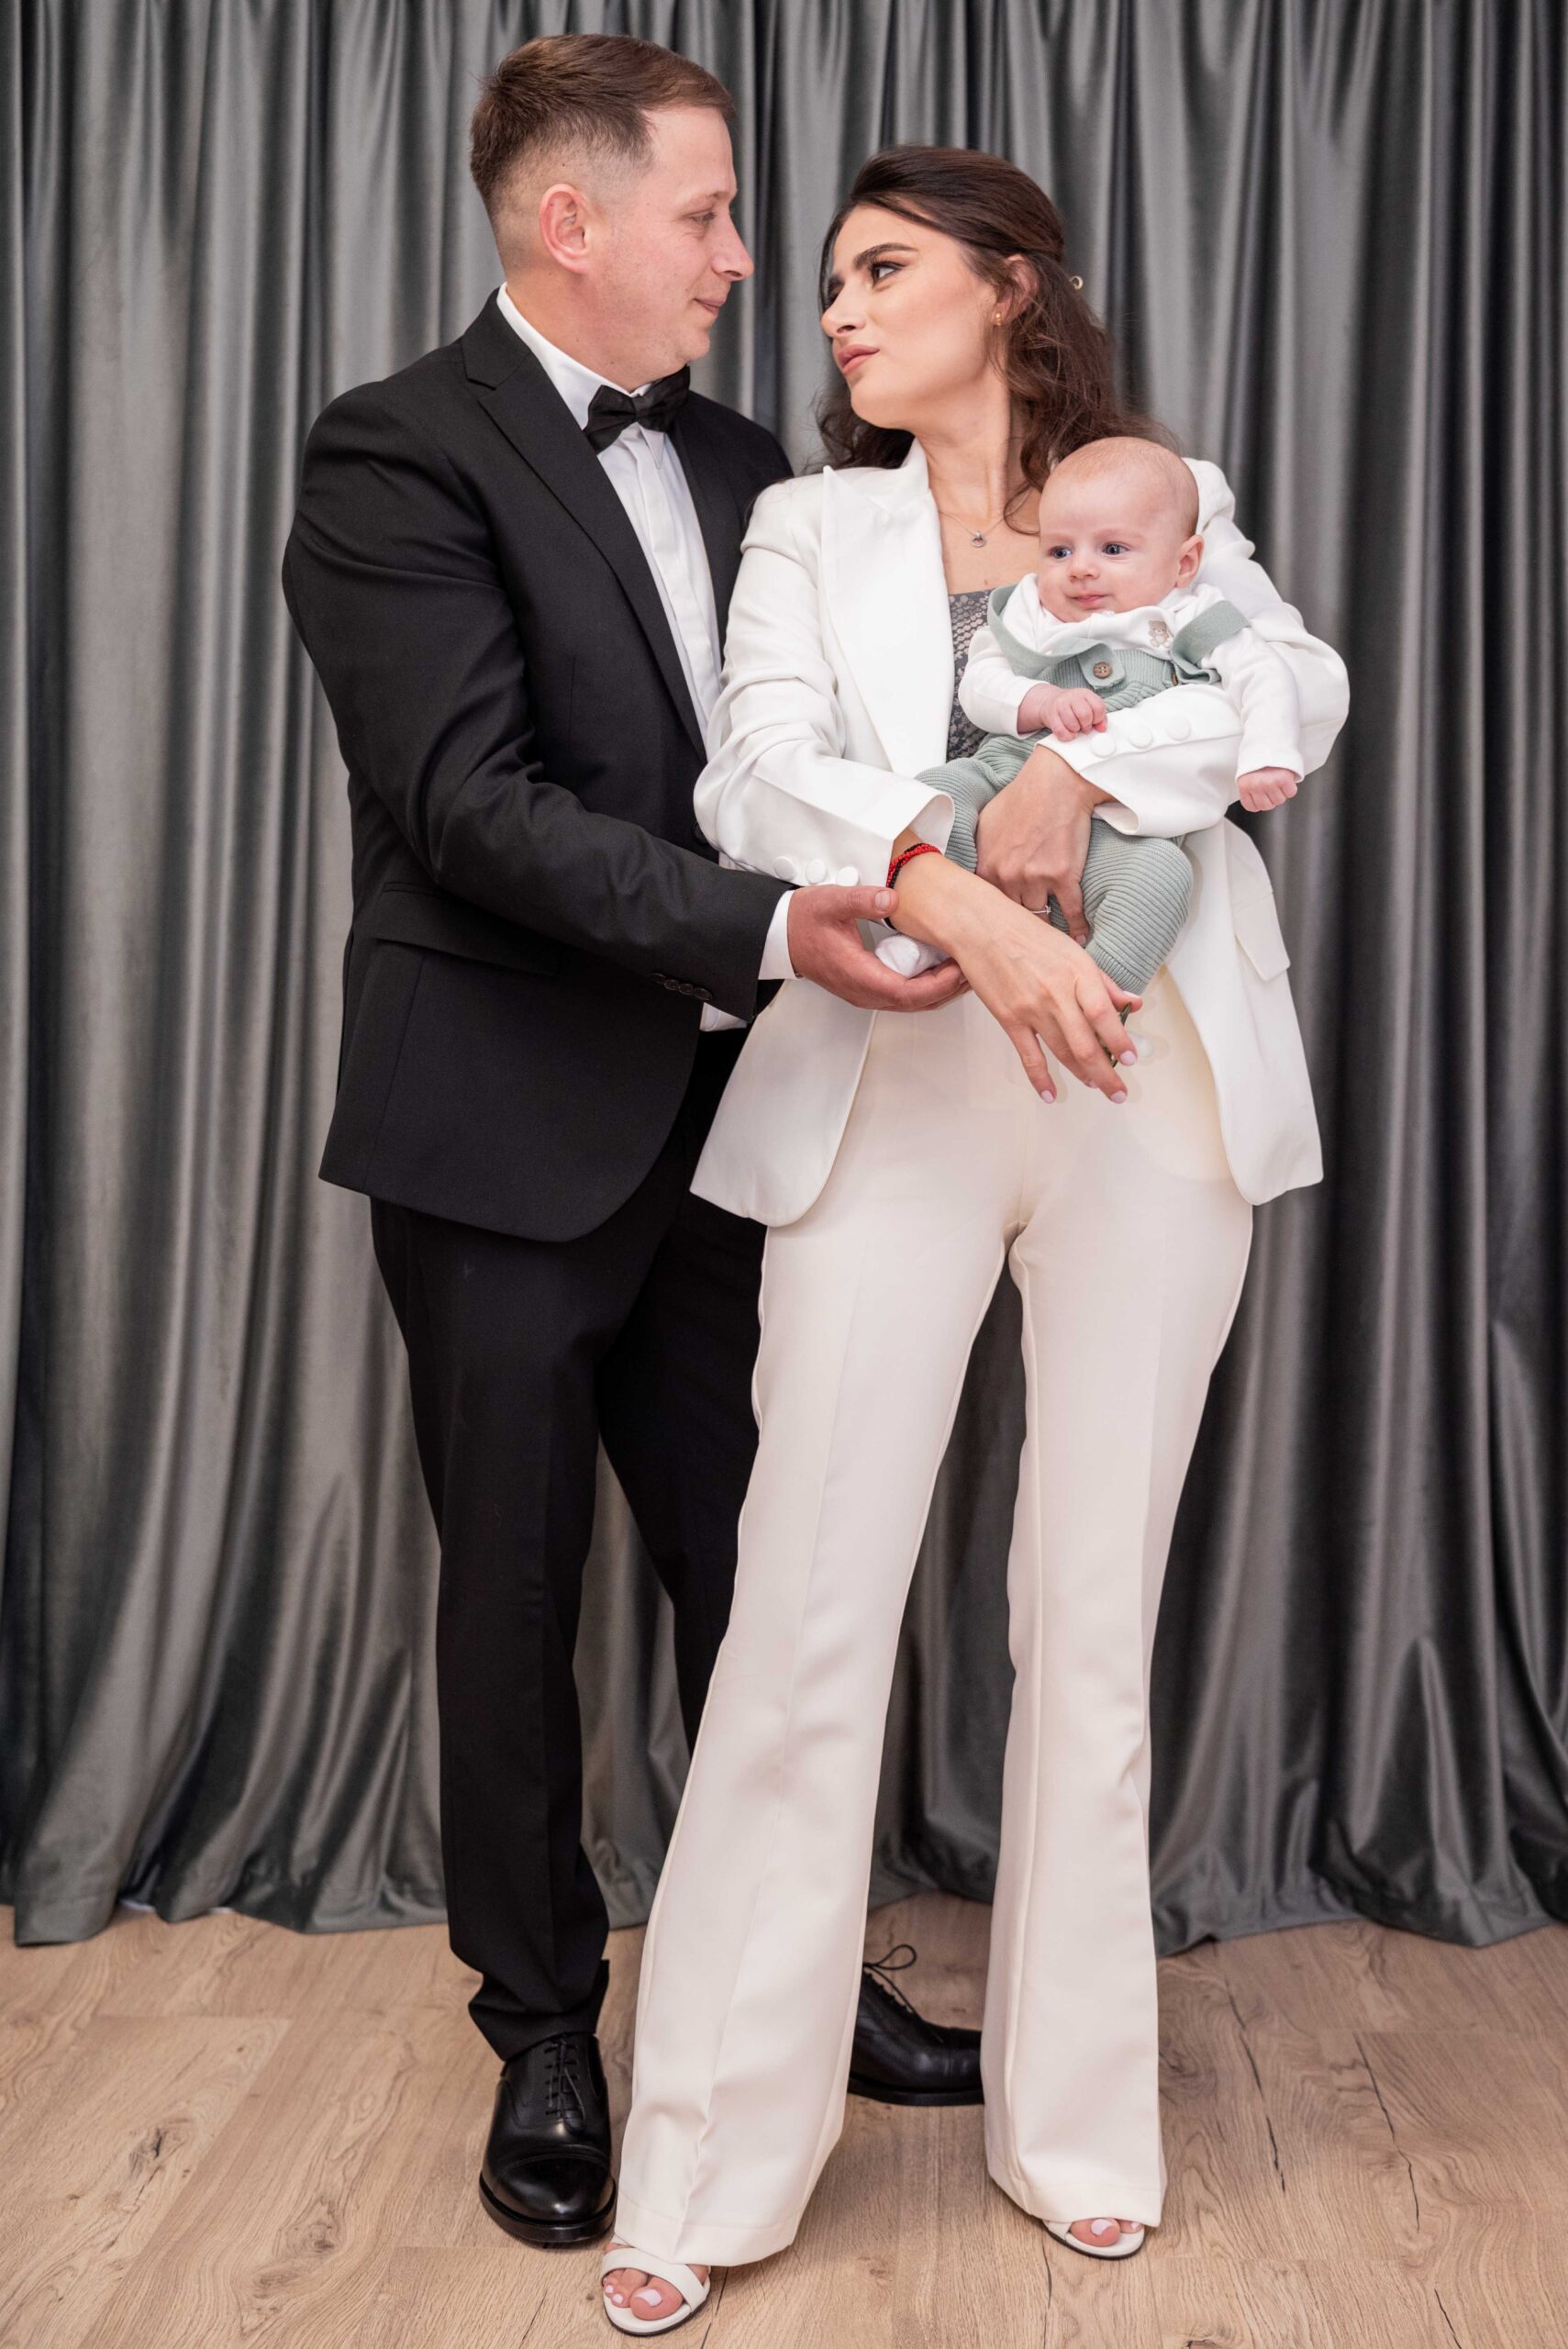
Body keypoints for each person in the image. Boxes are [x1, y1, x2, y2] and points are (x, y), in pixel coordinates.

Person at [602, 143, 1347, 2331]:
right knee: (802, 1611)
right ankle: (703, 2160)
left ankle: (1079, 2127)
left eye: (881, 269)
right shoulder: (806, 526)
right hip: (896, 1076)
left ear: (1008, 286)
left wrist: (1081, 777)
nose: (832, 308)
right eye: (827, 277)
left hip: (1147, 1084)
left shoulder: (1166, 496)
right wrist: (952, 868)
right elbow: (753, 775)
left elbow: (1286, 707)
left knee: (1092, 1617)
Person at [281, 36, 979, 2261]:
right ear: (570, 221)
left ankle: (779, 1974)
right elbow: (468, 809)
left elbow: (806, 743)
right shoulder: (394, 449)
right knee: (508, 1595)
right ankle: (544, 2029)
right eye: (707, 213)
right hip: (500, 1118)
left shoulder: (752, 456)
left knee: (763, 1573)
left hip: (739, 1118)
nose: (743, 258)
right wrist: (775, 923)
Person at [875, 431, 1305, 997]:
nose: (1079, 569)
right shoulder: (1032, 609)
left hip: (1123, 826)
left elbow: (1266, 676)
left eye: (1113, 550)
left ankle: (1093, 1006)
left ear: (1184, 563)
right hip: (1000, 776)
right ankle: (935, 936)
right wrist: (1040, 701)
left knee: (1163, 877)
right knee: (935, 794)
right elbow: (980, 683)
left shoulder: (1194, 617)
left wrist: (1268, 755)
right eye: (1060, 551)